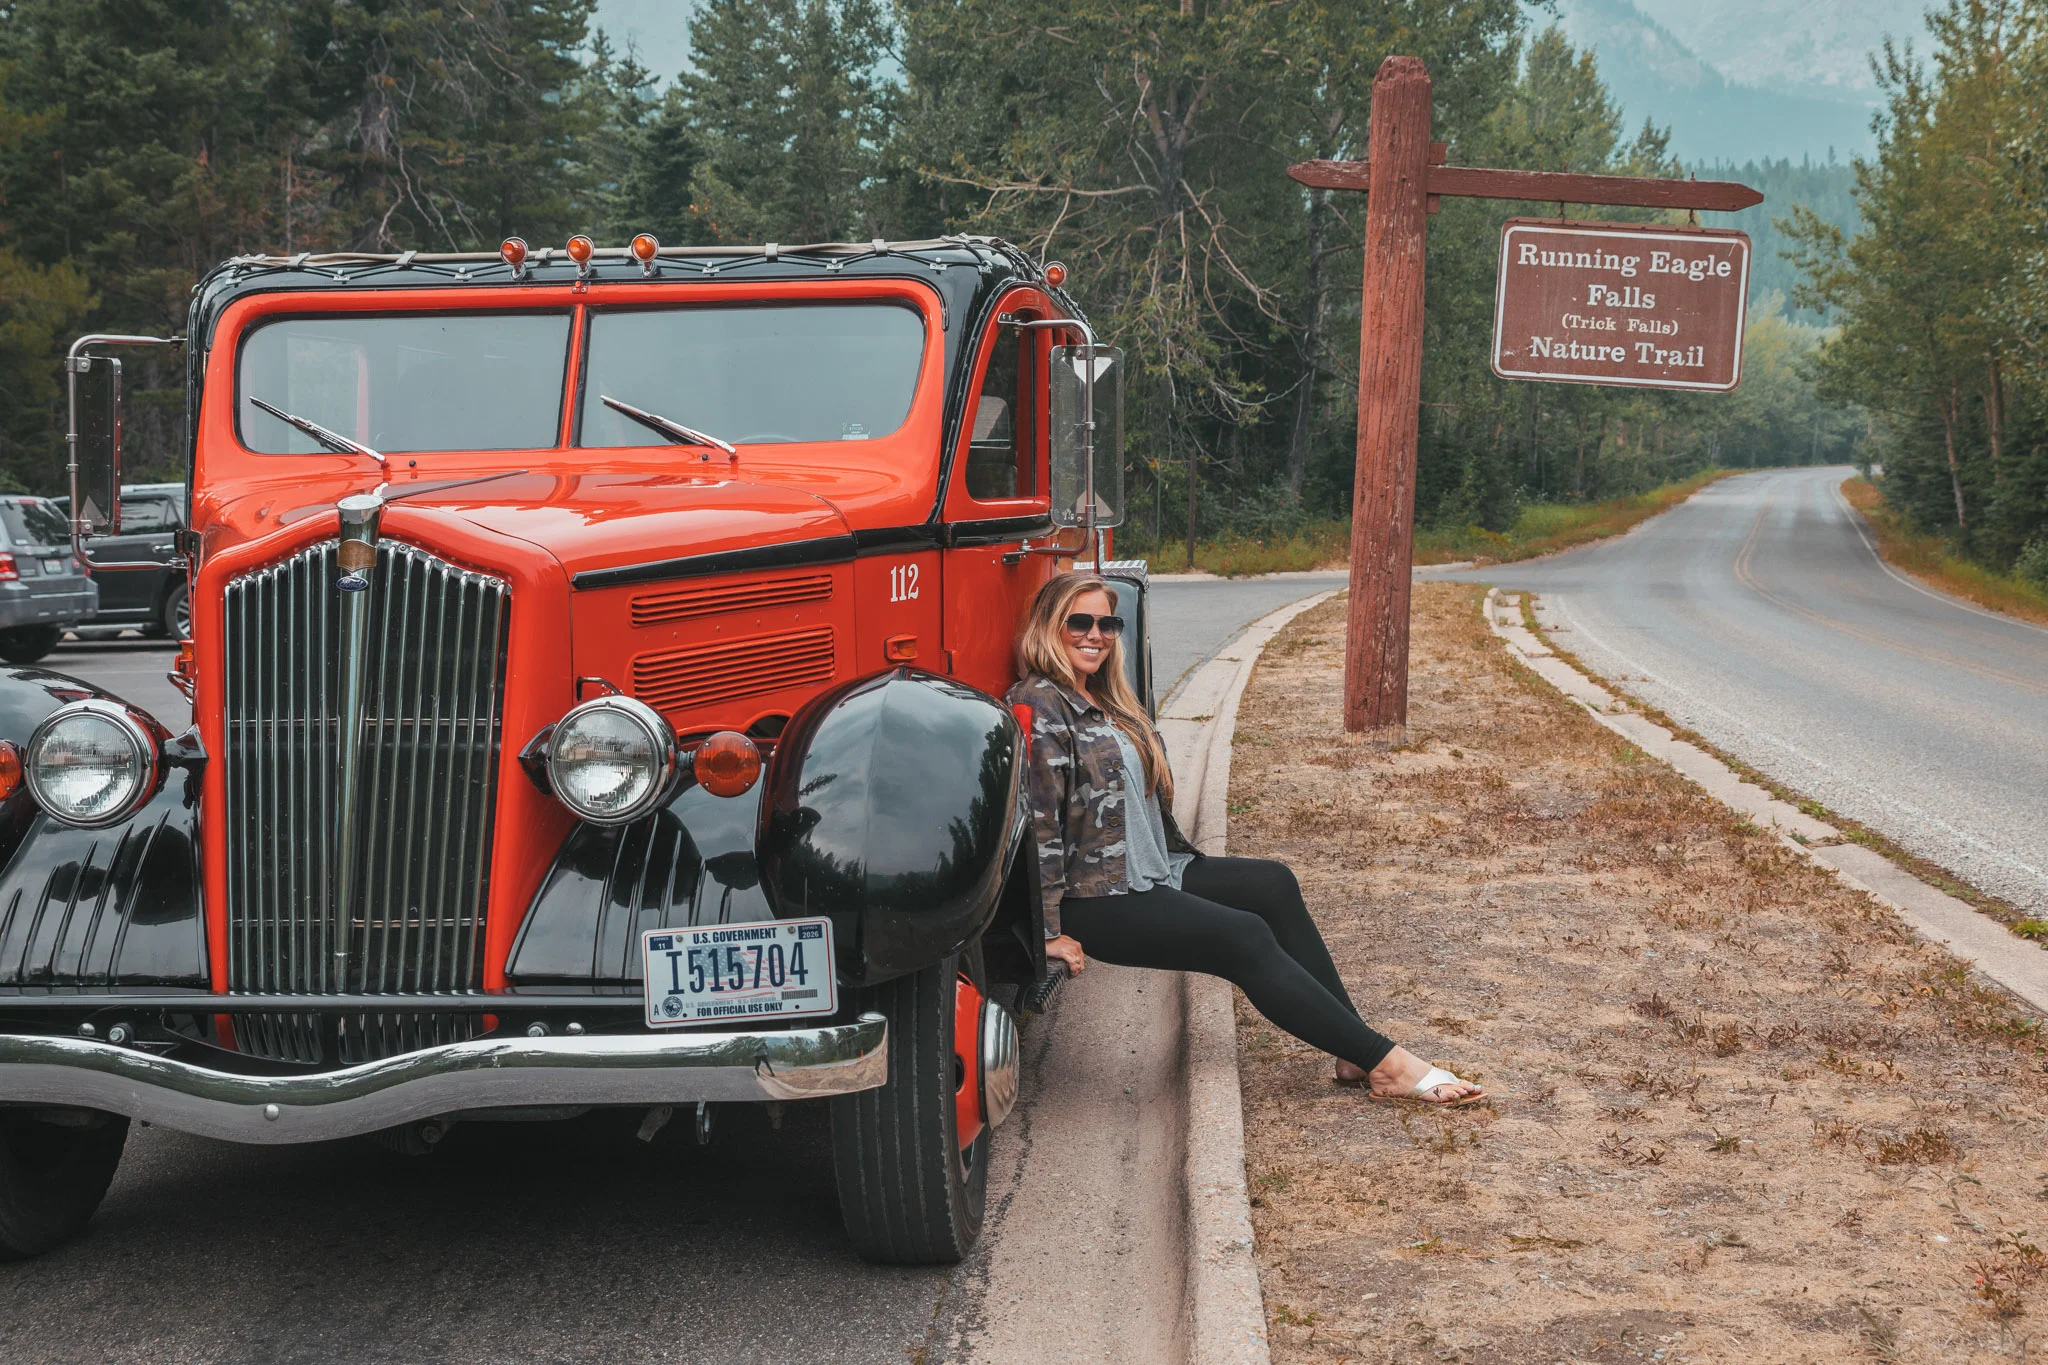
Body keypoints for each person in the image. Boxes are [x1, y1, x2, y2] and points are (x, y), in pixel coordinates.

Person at [1005, 572, 1484, 1105]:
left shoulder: (1104, 696)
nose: (1096, 634)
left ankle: (1349, 1047)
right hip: (1097, 897)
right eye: (1080, 622)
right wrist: (1046, 931)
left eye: (1108, 623)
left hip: (1152, 869)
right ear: (1050, 627)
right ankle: (1386, 1064)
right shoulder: (1039, 704)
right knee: (1243, 936)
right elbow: (1038, 825)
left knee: (1271, 883)